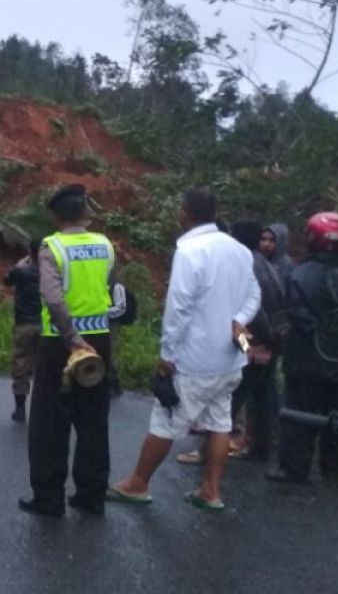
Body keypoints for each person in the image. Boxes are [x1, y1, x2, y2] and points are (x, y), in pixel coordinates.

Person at [109, 189, 260, 513]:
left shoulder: (190, 250)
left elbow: (179, 308)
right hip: (230, 361)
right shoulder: (240, 251)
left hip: (194, 360)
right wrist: (238, 322)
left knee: (165, 421)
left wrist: (167, 354)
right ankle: (210, 491)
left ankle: (138, 484)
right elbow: (253, 297)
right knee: (220, 423)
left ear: (185, 213)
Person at [18, 184, 119, 518]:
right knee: (93, 420)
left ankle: (48, 499)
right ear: (85, 214)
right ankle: (91, 495)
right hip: (100, 340)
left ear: (56, 215)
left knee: (49, 423)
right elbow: (110, 291)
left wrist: (72, 338)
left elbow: (52, 297)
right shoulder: (105, 245)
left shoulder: (52, 247)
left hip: (60, 344)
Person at [269, 212, 338, 485]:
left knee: (299, 415)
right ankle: (335, 469)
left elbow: (295, 313)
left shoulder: (299, 275)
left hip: (305, 362)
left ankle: (294, 468)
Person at [176, 218, 285, 465]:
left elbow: (253, 311)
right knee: (262, 395)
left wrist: (249, 347)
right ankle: (260, 449)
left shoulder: (245, 265)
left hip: (253, 344)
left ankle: (208, 453)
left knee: (229, 400)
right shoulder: (266, 265)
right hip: (270, 343)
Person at [4, 241, 42, 423]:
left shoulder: (21, 271)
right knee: (45, 367)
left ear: (30, 252)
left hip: (24, 323)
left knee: (21, 365)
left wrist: (21, 263)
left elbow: (7, 280)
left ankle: (20, 409)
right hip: (46, 325)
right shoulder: (52, 271)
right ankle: (44, 408)